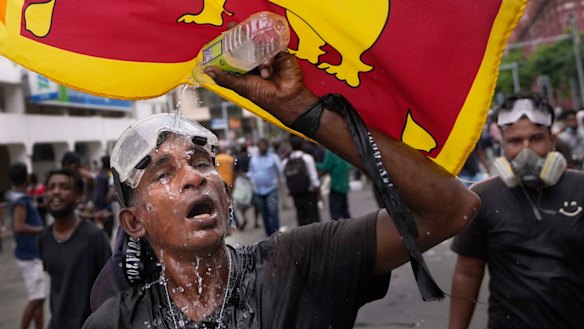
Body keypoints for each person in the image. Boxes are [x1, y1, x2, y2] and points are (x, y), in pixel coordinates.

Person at [84, 51, 479, 328]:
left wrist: (304, 113)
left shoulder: (297, 264)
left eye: (202, 162)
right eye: (163, 174)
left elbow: (450, 209)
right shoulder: (115, 321)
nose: (194, 177)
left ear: (225, 192)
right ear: (134, 222)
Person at [448, 94, 584, 329]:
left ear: (552, 139)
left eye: (536, 139)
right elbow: (467, 275)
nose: (526, 150)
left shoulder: (580, 188)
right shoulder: (481, 197)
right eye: (515, 141)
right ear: (502, 143)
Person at [39, 168, 112, 329]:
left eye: (64, 187)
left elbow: (112, 290)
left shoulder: (95, 238)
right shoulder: (44, 238)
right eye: (51, 188)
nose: (56, 192)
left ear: (78, 196)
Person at [7, 162, 46, 329]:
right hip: (29, 255)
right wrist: (42, 230)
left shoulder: (15, 196)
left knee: (39, 297)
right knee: (36, 298)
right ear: (26, 177)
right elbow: (19, 225)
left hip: (29, 253)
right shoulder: (21, 199)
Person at [248, 138, 284, 236]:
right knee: (264, 213)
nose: (262, 147)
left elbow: (280, 171)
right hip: (258, 190)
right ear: (258, 147)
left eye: (264, 145)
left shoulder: (273, 157)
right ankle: (269, 234)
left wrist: (283, 183)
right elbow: (251, 172)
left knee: (273, 211)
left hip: (271, 189)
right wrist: (251, 182)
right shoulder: (254, 159)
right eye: (260, 146)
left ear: (267, 147)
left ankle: (276, 233)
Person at [283, 135, 321, 226]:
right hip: (309, 193)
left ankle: (302, 239)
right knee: (313, 220)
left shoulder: (285, 162)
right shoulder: (307, 158)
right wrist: (319, 194)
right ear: (302, 145)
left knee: (301, 218)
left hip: (296, 194)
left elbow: (285, 179)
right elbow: (314, 179)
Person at [316, 149, 352, 220]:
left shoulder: (331, 152)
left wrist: (313, 164)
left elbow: (326, 166)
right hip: (344, 184)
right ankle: (352, 227)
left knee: (335, 212)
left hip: (336, 185)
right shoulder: (341, 149)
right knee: (344, 210)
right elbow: (349, 166)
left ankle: (339, 230)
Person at [93, 155, 114, 238]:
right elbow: (109, 195)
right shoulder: (107, 177)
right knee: (106, 235)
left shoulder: (99, 175)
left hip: (98, 207)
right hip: (105, 209)